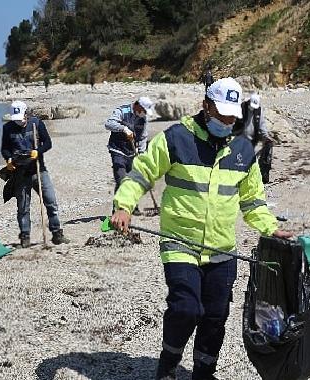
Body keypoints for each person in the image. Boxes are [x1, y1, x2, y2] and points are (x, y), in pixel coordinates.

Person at [110, 78, 293, 380]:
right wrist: (124, 206)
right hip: (179, 242)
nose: (226, 121)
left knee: (215, 316)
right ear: (205, 105)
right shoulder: (176, 138)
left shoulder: (243, 150)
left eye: (231, 116)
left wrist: (271, 229)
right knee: (185, 308)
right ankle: (168, 364)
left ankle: (204, 373)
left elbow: (252, 202)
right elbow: (142, 173)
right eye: (220, 113)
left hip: (221, 249)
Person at [1, 100, 69, 248]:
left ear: (26, 113)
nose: (19, 122)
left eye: (21, 118)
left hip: (39, 170)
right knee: (23, 207)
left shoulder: (36, 124)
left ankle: (57, 233)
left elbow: (48, 143)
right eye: (16, 119)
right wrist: (9, 159)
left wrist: (38, 152)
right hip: (20, 173)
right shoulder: (7, 128)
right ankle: (25, 237)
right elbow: (4, 149)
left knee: (51, 201)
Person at [104, 96, 155, 215]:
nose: (144, 114)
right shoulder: (122, 111)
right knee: (121, 179)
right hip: (117, 150)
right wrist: (123, 129)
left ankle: (132, 206)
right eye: (143, 111)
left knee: (134, 180)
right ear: (138, 106)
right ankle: (117, 209)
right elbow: (108, 124)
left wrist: (142, 155)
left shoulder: (143, 119)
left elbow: (142, 137)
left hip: (132, 152)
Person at [234, 93, 274, 183]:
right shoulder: (241, 107)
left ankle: (249, 178)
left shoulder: (259, 111)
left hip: (252, 140)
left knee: (250, 160)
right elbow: (234, 122)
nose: (252, 108)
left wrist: (266, 137)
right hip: (239, 138)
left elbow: (262, 125)